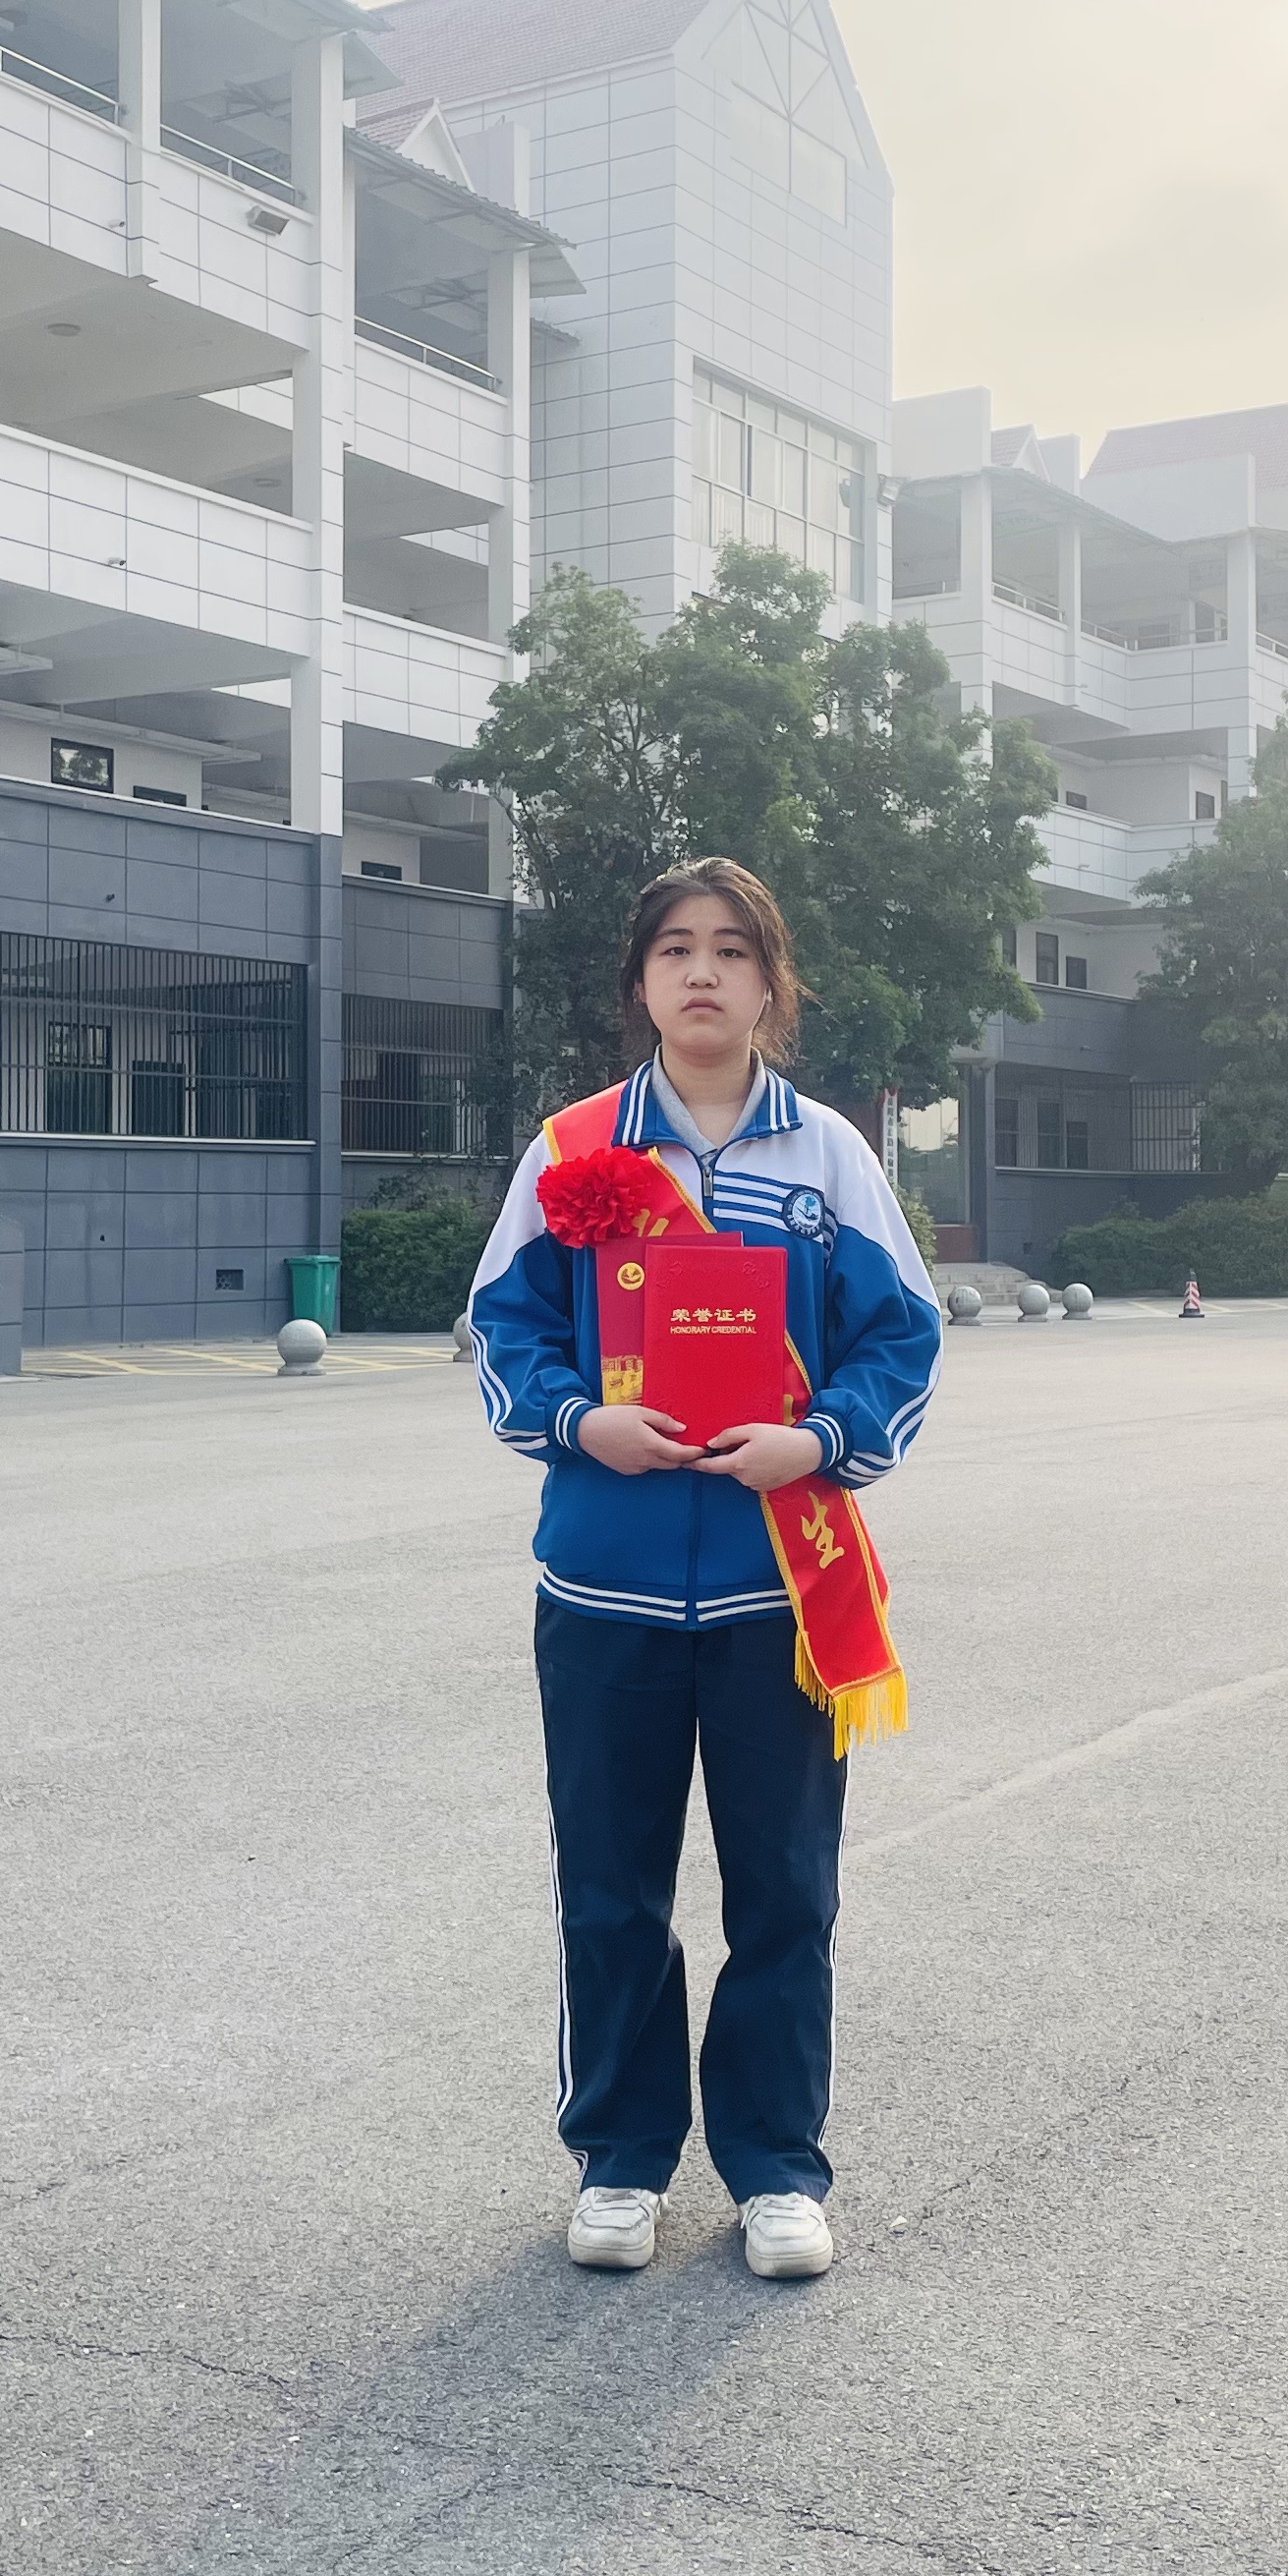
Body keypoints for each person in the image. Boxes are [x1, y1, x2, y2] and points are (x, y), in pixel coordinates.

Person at [467, 858, 943, 2280]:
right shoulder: (571, 1149)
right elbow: (504, 1331)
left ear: (770, 984)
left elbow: (902, 1336)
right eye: (676, 948)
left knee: (785, 1892)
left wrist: (820, 1442)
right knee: (611, 1888)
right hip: (603, 1589)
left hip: (775, 1596)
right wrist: (579, 1422)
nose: (702, 973)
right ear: (640, 981)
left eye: (733, 950)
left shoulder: (831, 1159)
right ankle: (619, 2160)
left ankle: (776, 2167)